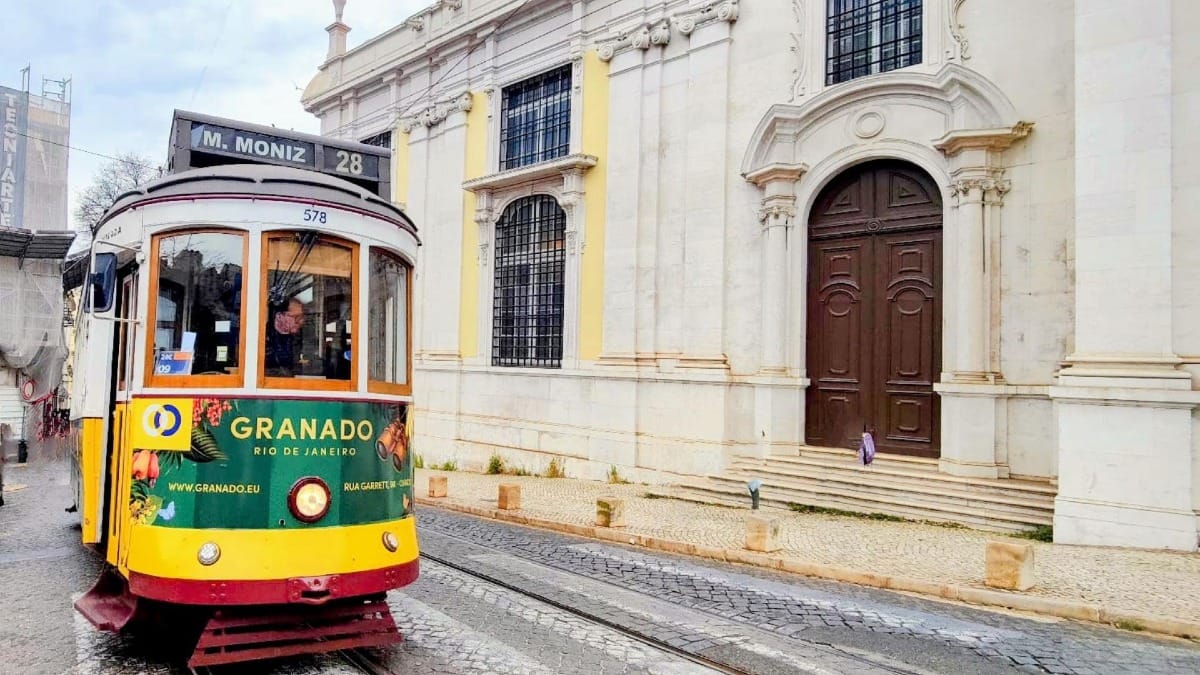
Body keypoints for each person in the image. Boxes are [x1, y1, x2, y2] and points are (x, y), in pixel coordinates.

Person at [266, 298, 305, 376]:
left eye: (302, 316)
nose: (301, 321)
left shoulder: (301, 335)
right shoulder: (263, 337)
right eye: (296, 317)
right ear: (280, 317)